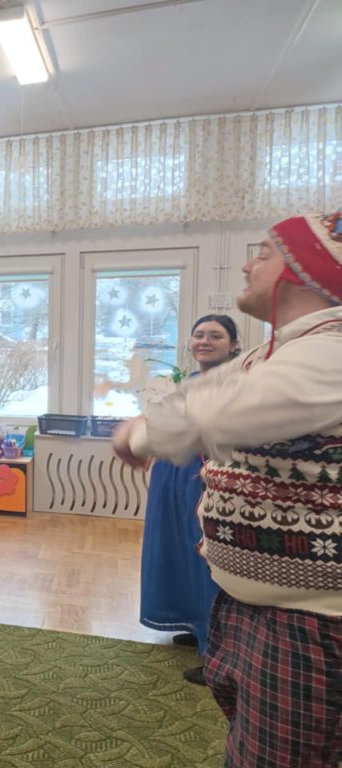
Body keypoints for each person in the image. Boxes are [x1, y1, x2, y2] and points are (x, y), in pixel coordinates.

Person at [112, 211, 342, 768]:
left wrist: (140, 433)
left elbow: (221, 410)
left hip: (308, 622)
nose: (246, 265)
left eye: (263, 253)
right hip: (260, 606)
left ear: (305, 272)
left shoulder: (330, 350)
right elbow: (205, 393)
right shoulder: (281, 350)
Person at [139, 314, 239, 685]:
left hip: (204, 479)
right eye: (199, 335)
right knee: (180, 551)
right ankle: (197, 625)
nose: (205, 341)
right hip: (173, 478)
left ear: (233, 344)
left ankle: (219, 651)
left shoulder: (236, 383)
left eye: (216, 335)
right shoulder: (191, 381)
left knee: (208, 559)